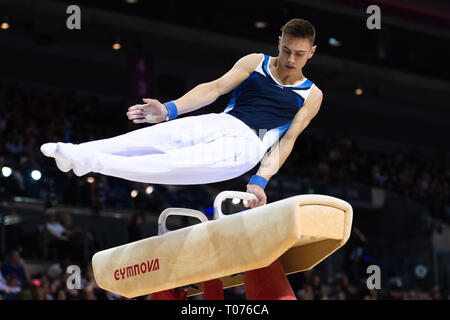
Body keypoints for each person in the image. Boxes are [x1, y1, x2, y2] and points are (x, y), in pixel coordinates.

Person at [40, 18, 323, 208]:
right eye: (286, 50)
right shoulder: (255, 62)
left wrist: (259, 182)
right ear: (278, 42)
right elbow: (214, 88)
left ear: (311, 52)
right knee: (160, 136)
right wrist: (168, 109)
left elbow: (286, 141)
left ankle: (94, 162)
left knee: (172, 163)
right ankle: (78, 152)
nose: (289, 59)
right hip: (222, 122)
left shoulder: (311, 95)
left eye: (298, 54)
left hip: (248, 146)